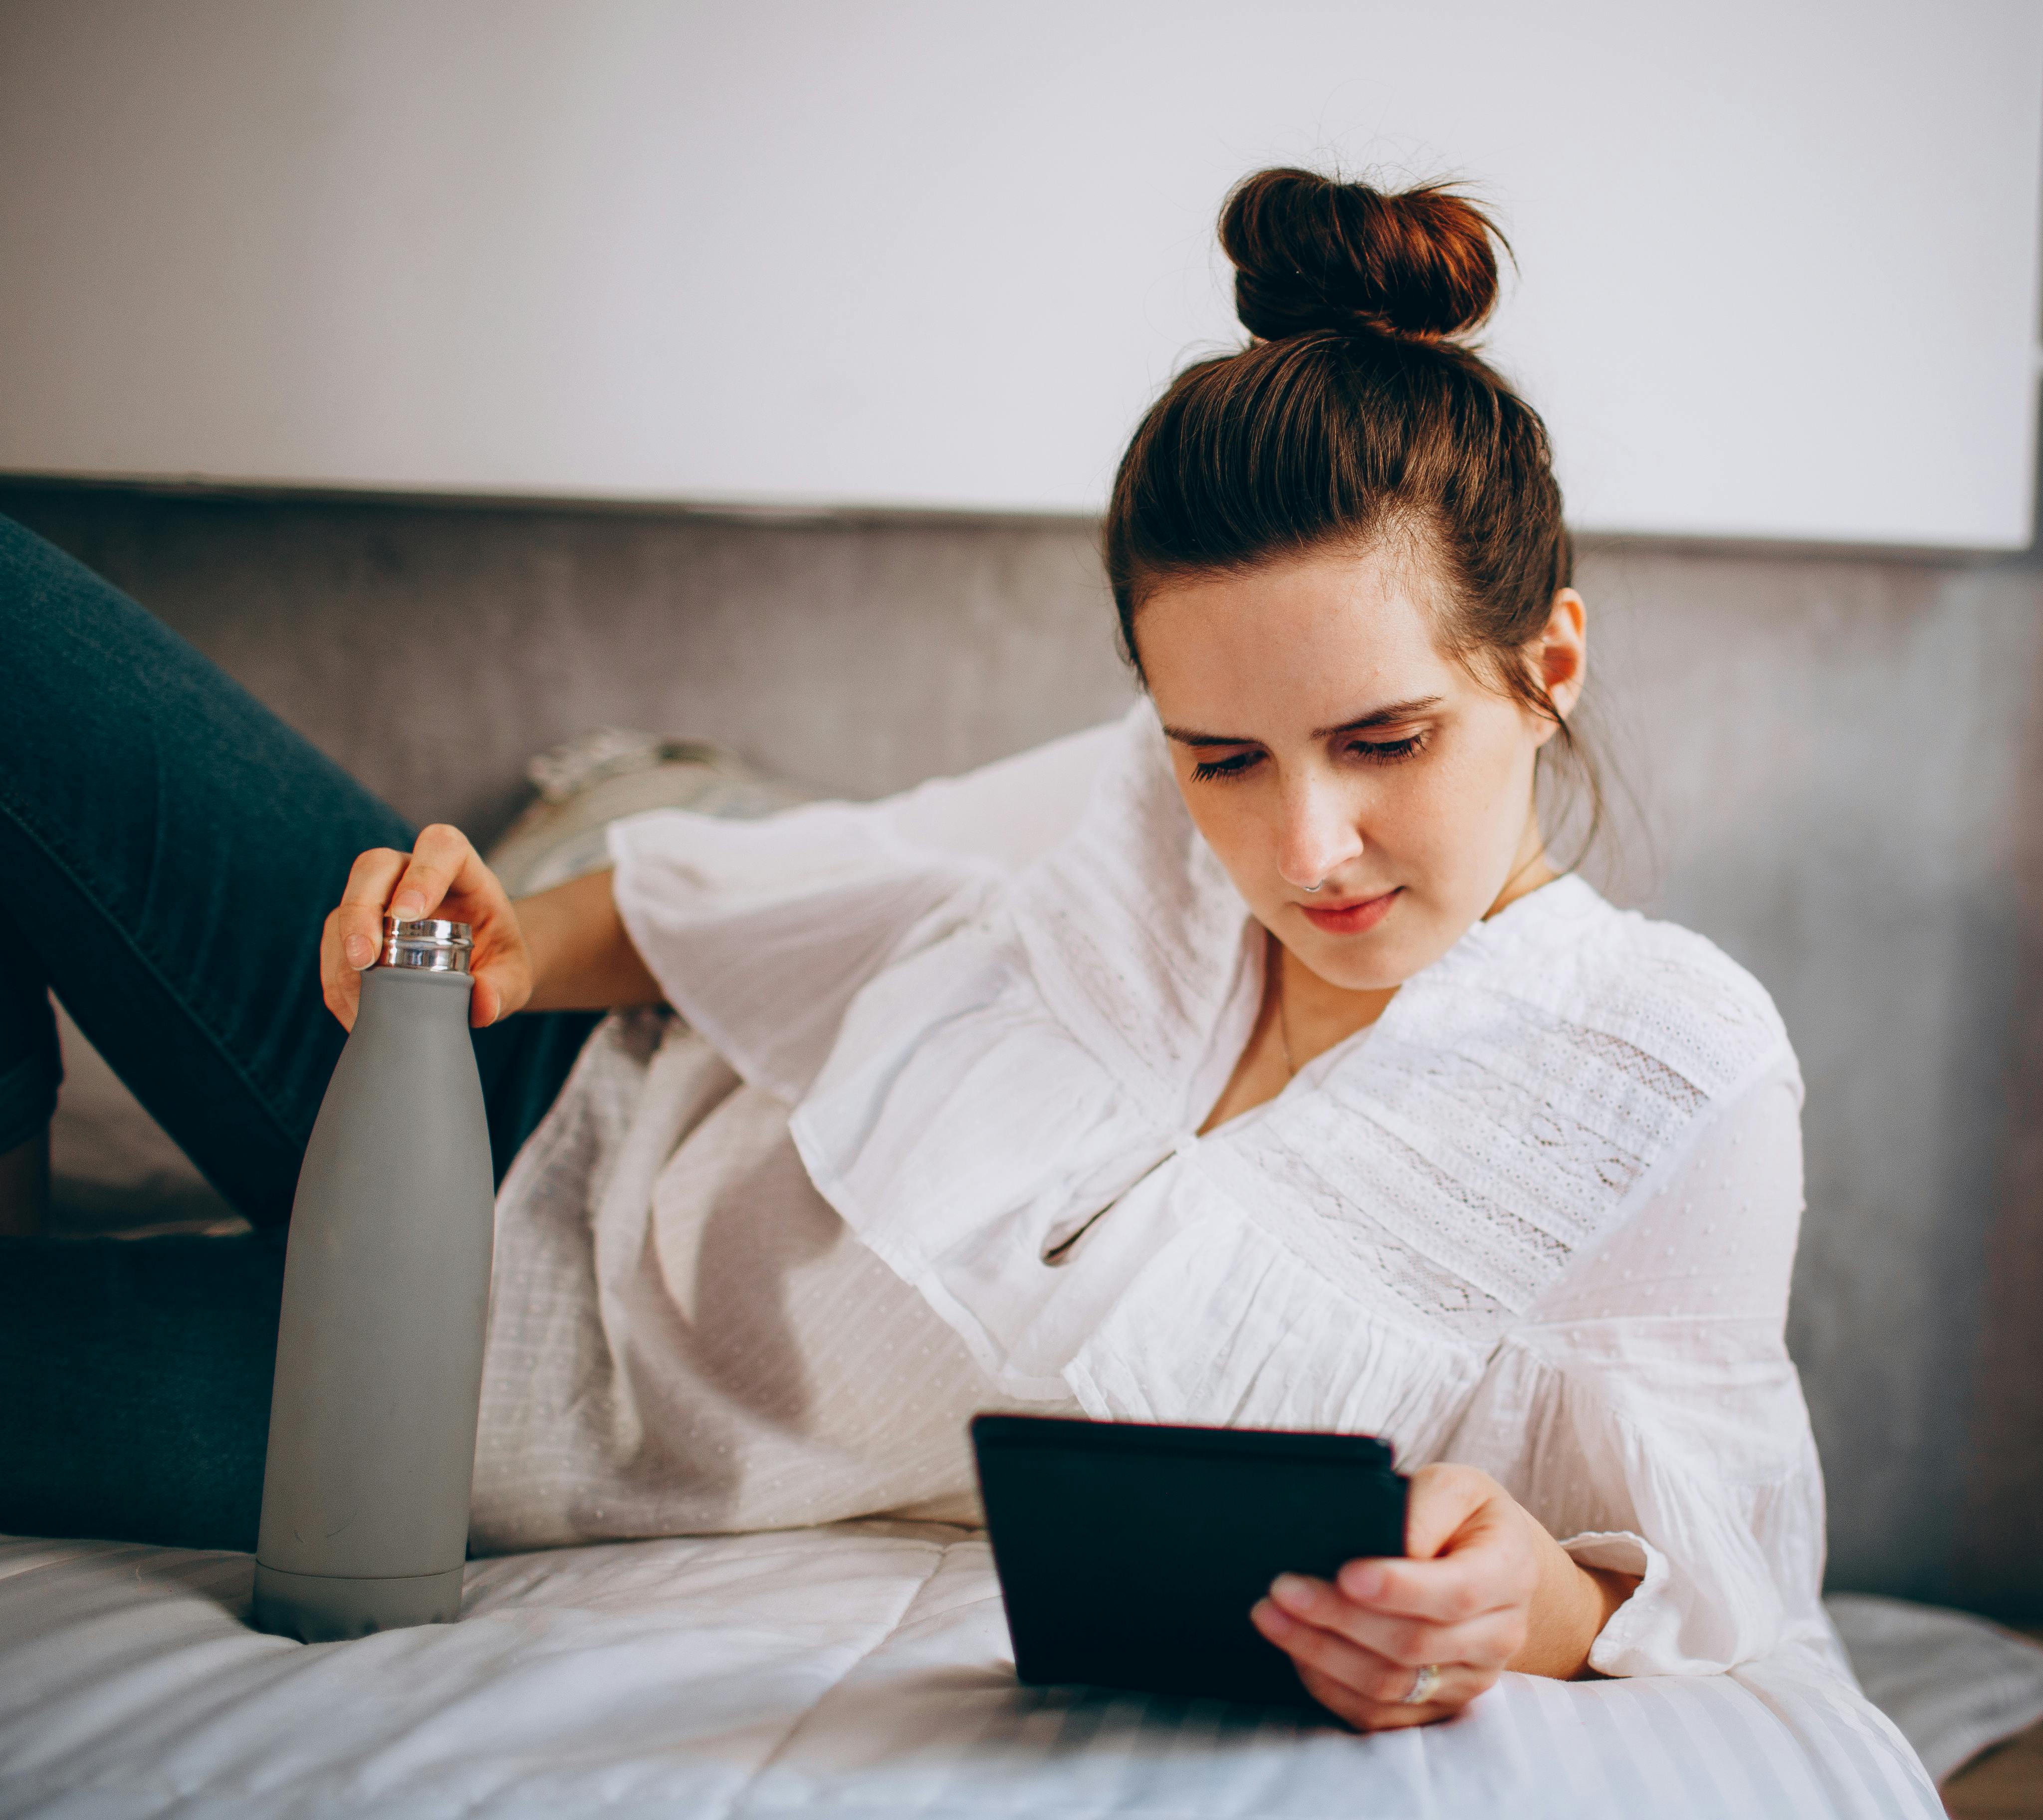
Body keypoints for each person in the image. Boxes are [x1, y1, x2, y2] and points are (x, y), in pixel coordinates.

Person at [0, 169, 1830, 1734]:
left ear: (1549, 669)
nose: (1302, 846)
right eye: (1224, 758)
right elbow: (812, 887)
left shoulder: (1670, 1072)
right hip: (510, 1077)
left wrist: (1519, 1604)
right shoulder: (1124, 803)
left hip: (487, 1382)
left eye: (1385, 740)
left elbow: (1709, 1545)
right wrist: (505, 950)